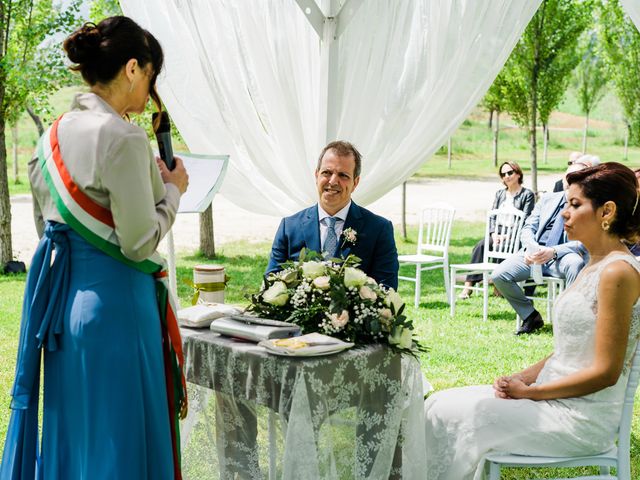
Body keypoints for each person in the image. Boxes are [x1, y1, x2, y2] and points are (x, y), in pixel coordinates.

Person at [0, 17, 189, 479]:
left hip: (64, 312)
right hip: (117, 312)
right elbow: (139, 240)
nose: (150, 90)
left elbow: (50, 230)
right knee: (120, 442)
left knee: (78, 437)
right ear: (130, 69)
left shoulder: (48, 139)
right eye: (150, 75)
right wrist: (174, 191)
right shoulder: (124, 137)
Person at [424, 162, 640, 480]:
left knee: (453, 412)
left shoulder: (617, 271)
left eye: (575, 204)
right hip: (548, 395)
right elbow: (571, 349)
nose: (564, 213)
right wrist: (521, 378)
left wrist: (531, 393)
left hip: (577, 417)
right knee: (437, 403)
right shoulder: (593, 265)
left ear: (606, 211)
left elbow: (606, 372)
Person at [266, 140, 399, 289]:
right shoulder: (289, 227)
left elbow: (387, 289)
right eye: (327, 173)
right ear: (317, 175)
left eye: (343, 175)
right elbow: (271, 286)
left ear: (355, 183)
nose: (333, 181)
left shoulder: (379, 229)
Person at [492, 162, 589, 334]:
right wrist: (532, 248)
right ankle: (530, 316)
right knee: (499, 275)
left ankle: (570, 320)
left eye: (578, 176)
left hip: (562, 256)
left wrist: (554, 251)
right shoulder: (547, 199)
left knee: (576, 263)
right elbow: (528, 227)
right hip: (534, 254)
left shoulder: (588, 206)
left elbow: (584, 242)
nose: (571, 180)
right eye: (568, 176)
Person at [458, 161, 535, 299]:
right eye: (503, 174)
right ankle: (468, 286)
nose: (507, 176)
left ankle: (498, 285)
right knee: (480, 246)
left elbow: (527, 220)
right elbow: (493, 217)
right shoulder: (500, 194)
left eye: (510, 172)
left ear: (518, 174)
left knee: (503, 247)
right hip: (498, 232)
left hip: (515, 235)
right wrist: (494, 233)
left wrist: (508, 236)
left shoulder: (527, 194)